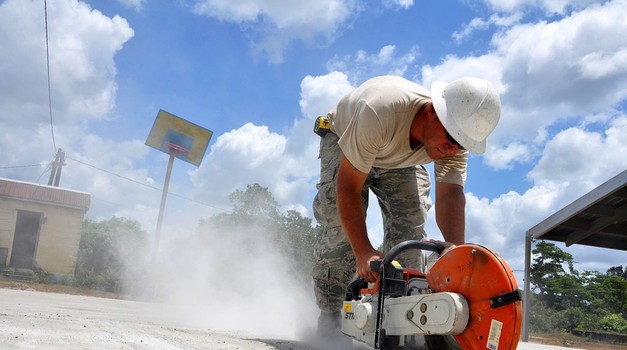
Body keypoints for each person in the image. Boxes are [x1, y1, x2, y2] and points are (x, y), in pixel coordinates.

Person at [311, 75, 501, 339]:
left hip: (397, 156)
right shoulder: (379, 111)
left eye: (461, 145)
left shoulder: (455, 140)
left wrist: (456, 252)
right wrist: (364, 251)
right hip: (347, 137)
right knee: (342, 233)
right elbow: (348, 189)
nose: (452, 149)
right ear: (434, 112)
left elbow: (450, 194)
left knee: (410, 233)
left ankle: (397, 325)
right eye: (450, 139)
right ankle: (331, 317)